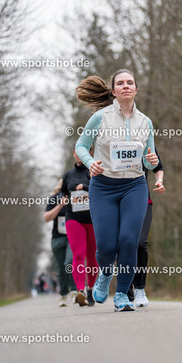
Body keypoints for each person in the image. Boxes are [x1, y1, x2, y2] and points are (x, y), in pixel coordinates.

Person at [75, 69, 159, 312]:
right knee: (107, 247)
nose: (126, 86)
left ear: (136, 89)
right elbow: (81, 146)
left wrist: (152, 161)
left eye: (130, 82)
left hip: (134, 185)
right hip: (104, 186)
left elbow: (149, 160)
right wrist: (90, 163)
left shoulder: (145, 122)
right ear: (113, 91)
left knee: (129, 241)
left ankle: (122, 294)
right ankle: (105, 272)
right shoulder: (100, 118)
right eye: (120, 83)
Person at [61, 149, 98, 306]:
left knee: (93, 257)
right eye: (77, 151)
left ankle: (91, 289)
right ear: (74, 153)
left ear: (90, 153)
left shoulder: (95, 170)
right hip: (74, 218)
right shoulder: (68, 175)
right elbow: (63, 192)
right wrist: (64, 198)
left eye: (85, 151)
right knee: (78, 254)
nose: (80, 154)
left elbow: (101, 188)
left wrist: (85, 186)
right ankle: (80, 290)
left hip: (94, 219)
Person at [129, 150, 165, 307]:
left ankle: (139, 288)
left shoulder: (145, 142)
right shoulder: (112, 141)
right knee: (123, 243)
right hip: (118, 201)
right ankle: (126, 291)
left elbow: (158, 167)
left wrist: (160, 181)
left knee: (140, 242)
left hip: (143, 200)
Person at [44, 179, 77, 307]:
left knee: (69, 262)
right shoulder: (54, 198)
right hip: (57, 238)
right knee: (61, 268)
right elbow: (47, 218)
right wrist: (60, 206)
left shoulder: (76, 197)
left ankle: (74, 291)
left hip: (72, 236)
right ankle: (63, 295)